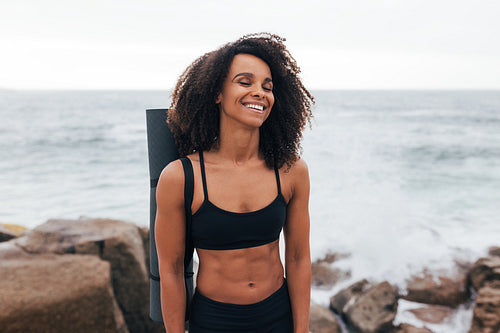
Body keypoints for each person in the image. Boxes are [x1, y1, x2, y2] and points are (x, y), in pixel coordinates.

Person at [155, 33, 313, 333]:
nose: (259, 93)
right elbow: (172, 271)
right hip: (214, 322)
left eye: (267, 87)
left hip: (277, 317)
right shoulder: (180, 177)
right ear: (217, 92)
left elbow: (298, 257)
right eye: (245, 82)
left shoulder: (291, 171)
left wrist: (301, 329)